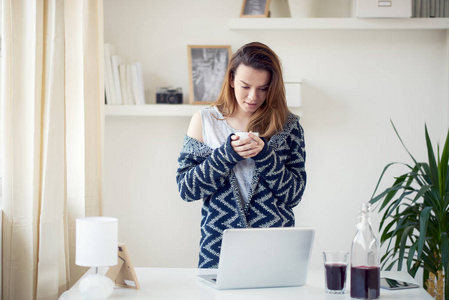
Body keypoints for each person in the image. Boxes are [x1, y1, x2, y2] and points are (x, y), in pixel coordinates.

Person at [176, 42, 306, 269]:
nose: (253, 97)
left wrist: (265, 155)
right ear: (231, 79)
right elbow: (186, 190)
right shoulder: (205, 121)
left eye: (263, 88)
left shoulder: (288, 127)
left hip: (275, 251)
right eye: (245, 86)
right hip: (218, 250)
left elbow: (293, 195)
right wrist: (225, 155)